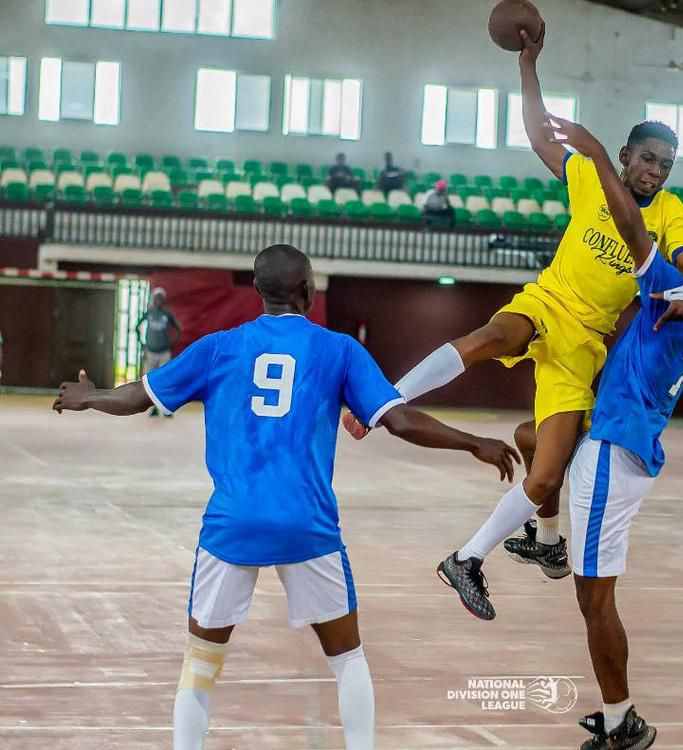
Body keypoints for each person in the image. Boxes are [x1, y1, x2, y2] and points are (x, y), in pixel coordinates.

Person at [52, 244, 520, 750]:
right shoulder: (339, 350)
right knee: (347, 660)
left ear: (257, 292)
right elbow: (400, 420)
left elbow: (139, 395)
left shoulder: (219, 347)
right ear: (307, 289)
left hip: (233, 525)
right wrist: (473, 441)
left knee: (201, 664)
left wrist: (91, 397)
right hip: (308, 525)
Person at [440, 116, 683, 748]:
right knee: (535, 441)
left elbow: (634, 229)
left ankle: (621, 723)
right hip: (624, 441)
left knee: (596, 604)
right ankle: (545, 539)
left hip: (613, 458)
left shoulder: (677, 292)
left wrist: (589, 149)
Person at [347, 23, 683, 588]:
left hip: (584, 344)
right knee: (485, 339)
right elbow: (539, 132)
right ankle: (383, 401)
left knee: (543, 478)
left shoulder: (670, 210)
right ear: (625, 154)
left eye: (666, 165)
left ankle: (485, 555)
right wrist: (527, 64)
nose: (656, 172)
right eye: (648, 160)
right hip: (546, 301)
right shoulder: (587, 174)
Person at [136, 287, 182, 417]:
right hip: (151, 352)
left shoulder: (167, 314)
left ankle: (166, 409)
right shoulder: (149, 313)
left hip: (164, 353)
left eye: (161, 298)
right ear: (153, 299)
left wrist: (172, 344)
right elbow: (136, 326)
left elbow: (179, 329)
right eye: (157, 298)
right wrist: (143, 343)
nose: (158, 301)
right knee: (151, 382)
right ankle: (154, 409)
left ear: (164, 300)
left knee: (166, 381)